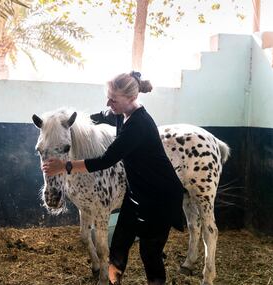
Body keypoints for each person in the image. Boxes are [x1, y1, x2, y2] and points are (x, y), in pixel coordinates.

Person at [42, 71, 184, 285]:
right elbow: (103, 114)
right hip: (136, 191)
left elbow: (105, 160)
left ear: (131, 98)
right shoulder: (121, 112)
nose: (109, 102)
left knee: (150, 254)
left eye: (113, 99)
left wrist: (65, 166)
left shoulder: (139, 125)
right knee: (118, 245)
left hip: (159, 196)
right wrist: (74, 123)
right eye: (108, 97)